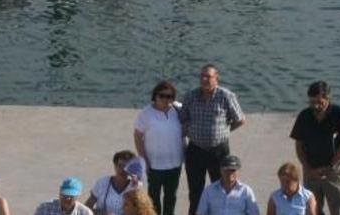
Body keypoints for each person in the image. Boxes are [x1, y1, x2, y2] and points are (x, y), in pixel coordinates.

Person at [181, 64, 246, 215]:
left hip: (218, 151)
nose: (204, 79)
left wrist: (224, 131)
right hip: (195, 150)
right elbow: (183, 118)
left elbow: (240, 119)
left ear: (216, 78)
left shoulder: (226, 96)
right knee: (195, 191)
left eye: (208, 76)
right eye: (202, 76)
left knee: (221, 189)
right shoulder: (190, 96)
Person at [290, 81, 340, 215]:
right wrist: (307, 168)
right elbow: (299, 145)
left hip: (333, 171)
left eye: (320, 102)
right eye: (312, 102)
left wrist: (331, 167)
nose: (316, 106)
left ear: (327, 98)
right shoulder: (304, 116)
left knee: (337, 209)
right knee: (313, 209)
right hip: (311, 170)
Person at [134, 80, 184, 215]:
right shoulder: (146, 113)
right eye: (162, 95)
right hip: (154, 165)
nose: (165, 99)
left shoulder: (178, 109)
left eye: (169, 96)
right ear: (155, 96)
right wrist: (143, 159)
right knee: (153, 197)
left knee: (171, 196)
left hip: (175, 163)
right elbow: (138, 136)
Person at [86, 150, 140, 215]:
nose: (123, 169)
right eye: (120, 165)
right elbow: (86, 208)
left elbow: (140, 211)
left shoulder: (135, 186)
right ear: (115, 166)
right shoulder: (102, 183)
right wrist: (101, 213)